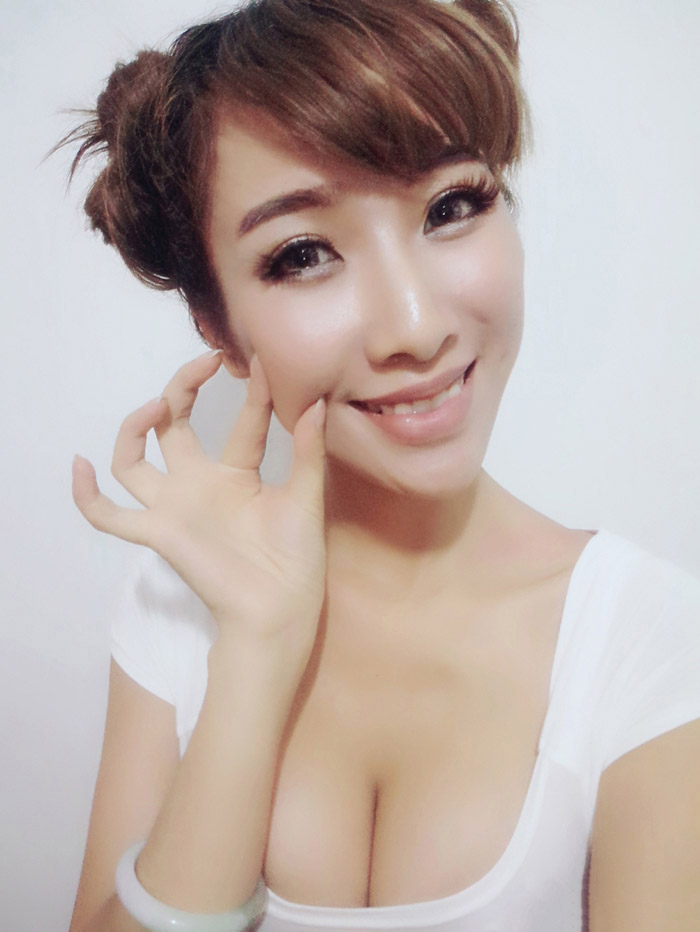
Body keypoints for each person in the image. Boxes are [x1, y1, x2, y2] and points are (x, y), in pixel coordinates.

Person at [64, 1, 700, 930]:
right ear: (217, 326)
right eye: (303, 254)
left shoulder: (644, 640)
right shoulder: (178, 604)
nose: (416, 326)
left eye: (452, 207)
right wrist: (256, 652)